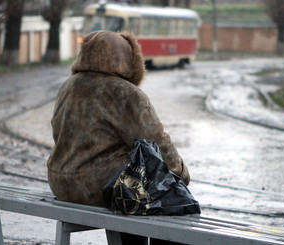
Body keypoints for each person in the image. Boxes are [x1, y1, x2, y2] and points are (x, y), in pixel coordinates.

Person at [47, 30, 190, 245]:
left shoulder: (68, 86)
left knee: (137, 192)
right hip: (100, 188)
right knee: (175, 201)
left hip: (61, 182)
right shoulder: (126, 93)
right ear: (128, 59)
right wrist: (181, 174)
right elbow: (156, 143)